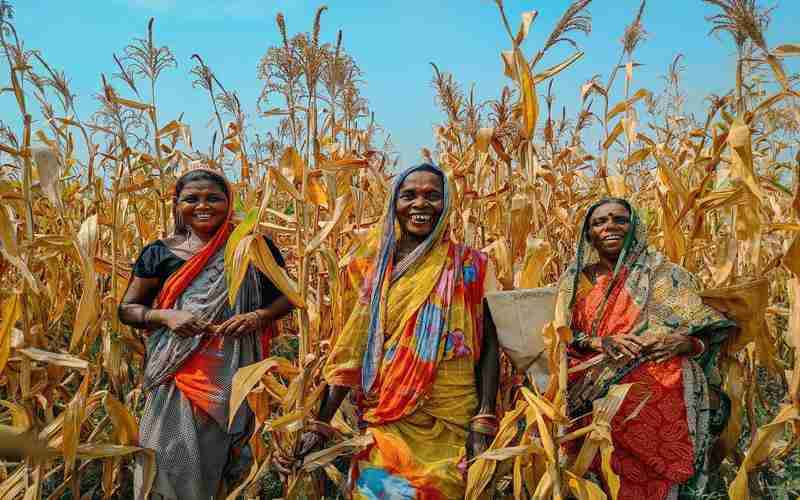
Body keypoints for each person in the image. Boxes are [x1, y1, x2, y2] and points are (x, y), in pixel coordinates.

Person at [293, 163, 500, 498]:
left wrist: (485, 416)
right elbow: (351, 348)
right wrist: (321, 422)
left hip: (451, 416)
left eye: (433, 196)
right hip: (386, 413)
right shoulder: (371, 268)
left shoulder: (472, 265)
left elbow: (490, 344)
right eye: (409, 196)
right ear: (394, 204)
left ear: (447, 204)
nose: (420, 204)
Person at [118, 167, 293, 499]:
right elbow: (127, 309)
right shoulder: (159, 252)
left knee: (226, 460)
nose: (203, 206)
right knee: (165, 458)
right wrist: (166, 316)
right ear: (176, 204)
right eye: (191, 199)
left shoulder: (252, 246)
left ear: (229, 202)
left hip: (233, 375)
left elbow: (289, 295)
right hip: (175, 374)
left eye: (214, 198)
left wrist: (258, 316)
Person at [557, 198, 737, 499]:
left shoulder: (666, 275)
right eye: (599, 222)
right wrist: (596, 342)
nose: (610, 226)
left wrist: (685, 342)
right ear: (588, 234)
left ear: (635, 227)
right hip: (593, 398)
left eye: (619, 219)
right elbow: (557, 336)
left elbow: (707, 336)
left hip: (662, 400)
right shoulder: (575, 282)